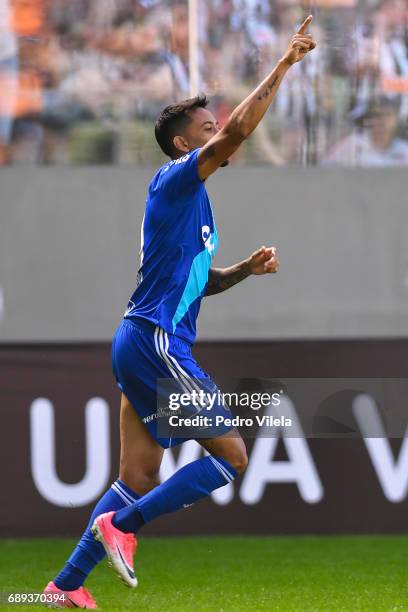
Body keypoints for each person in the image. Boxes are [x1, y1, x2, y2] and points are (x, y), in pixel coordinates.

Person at [43, 15, 316, 609]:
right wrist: (284, 64)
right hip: (156, 339)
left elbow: (195, 283)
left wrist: (241, 270)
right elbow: (240, 132)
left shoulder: (193, 202)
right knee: (231, 457)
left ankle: (63, 587)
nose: (219, 132)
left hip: (139, 336)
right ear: (185, 145)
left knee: (136, 478)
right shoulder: (174, 181)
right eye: (207, 128)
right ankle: (125, 528)